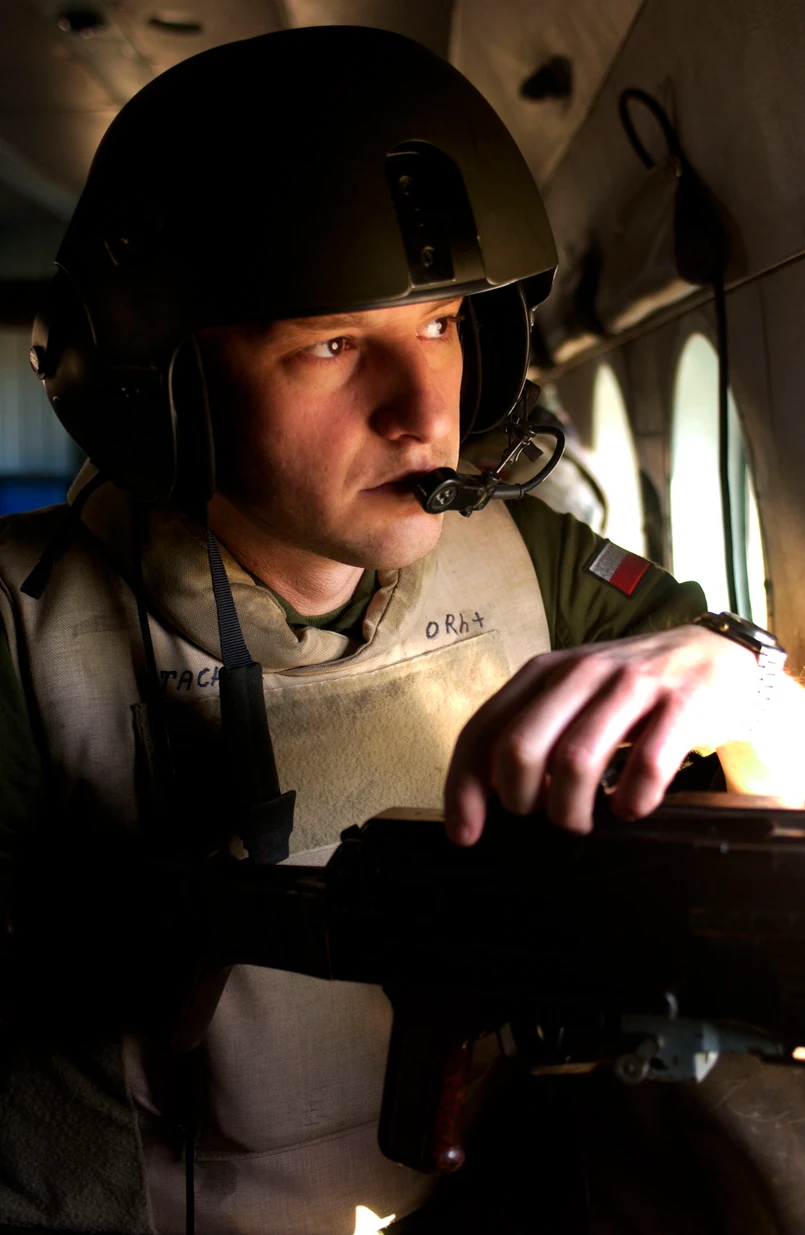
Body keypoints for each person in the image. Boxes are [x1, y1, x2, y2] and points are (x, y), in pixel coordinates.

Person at [1, 24, 804, 1235]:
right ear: (161, 391)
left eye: (440, 324)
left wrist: (732, 669)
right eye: (331, 345)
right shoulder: (21, 634)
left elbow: (783, 766)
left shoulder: (532, 559)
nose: (426, 413)